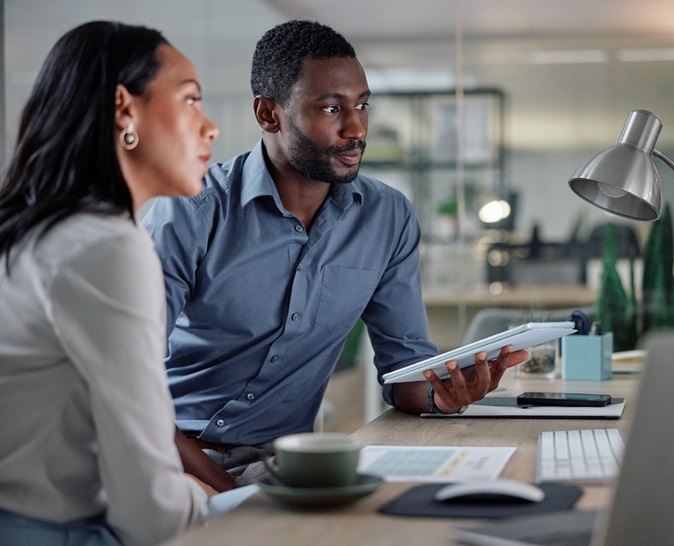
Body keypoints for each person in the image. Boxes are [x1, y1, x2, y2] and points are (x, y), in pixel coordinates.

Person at [142, 19, 528, 491]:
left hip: (287, 464)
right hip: (170, 459)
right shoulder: (190, 211)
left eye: (362, 105)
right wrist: (227, 492)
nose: (356, 128)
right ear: (269, 114)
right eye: (331, 108)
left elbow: (403, 368)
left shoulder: (387, 217)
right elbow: (127, 384)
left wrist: (441, 395)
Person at [0, 21, 219, 545]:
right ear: (126, 109)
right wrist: (213, 496)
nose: (209, 127)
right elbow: (153, 517)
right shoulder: (106, 249)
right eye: (190, 100)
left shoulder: (40, 231)